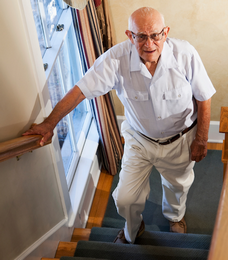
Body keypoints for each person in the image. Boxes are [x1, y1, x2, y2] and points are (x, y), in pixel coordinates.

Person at [23, 7, 216, 244]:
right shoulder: (116, 59)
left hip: (181, 138)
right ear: (129, 35)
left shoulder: (185, 54)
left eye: (155, 35)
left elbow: (204, 96)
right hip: (140, 140)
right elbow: (80, 91)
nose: (149, 43)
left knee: (177, 187)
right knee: (125, 198)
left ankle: (175, 217)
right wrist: (49, 123)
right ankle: (134, 227)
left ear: (165, 33)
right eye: (141, 36)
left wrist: (201, 139)